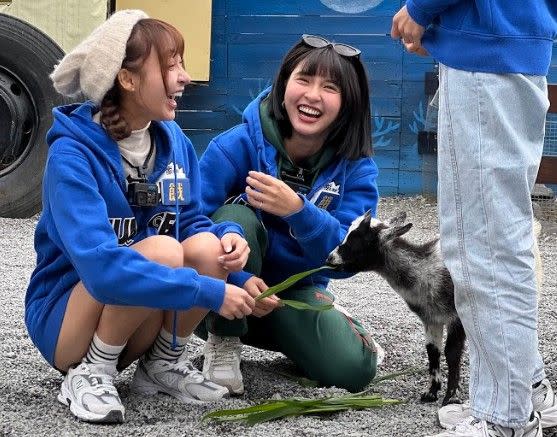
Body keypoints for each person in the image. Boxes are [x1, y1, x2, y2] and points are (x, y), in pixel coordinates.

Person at [24, 9, 256, 424]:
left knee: (207, 247)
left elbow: (193, 225)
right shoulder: (73, 155)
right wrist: (211, 294)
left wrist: (236, 275)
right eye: (171, 66)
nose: (184, 77)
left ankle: (161, 366)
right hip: (68, 321)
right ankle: (91, 372)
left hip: (134, 313)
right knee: (163, 251)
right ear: (127, 79)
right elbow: (101, 270)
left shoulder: (175, 144)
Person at [391, 1, 557, 436]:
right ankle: (525, 391)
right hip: (502, 45)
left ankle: (507, 419)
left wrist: (424, 8)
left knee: (484, 247)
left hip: (488, 57)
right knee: (494, 239)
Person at [196, 34, 382, 395]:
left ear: (348, 103)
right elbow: (191, 222)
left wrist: (300, 212)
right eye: (304, 79)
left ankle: (320, 329)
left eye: (330, 87)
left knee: (354, 369)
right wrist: (235, 283)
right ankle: (224, 341)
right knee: (236, 216)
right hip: (224, 293)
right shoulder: (235, 146)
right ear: (283, 85)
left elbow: (349, 258)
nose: (313, 95)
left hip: (292, 295)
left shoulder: (357, 169)